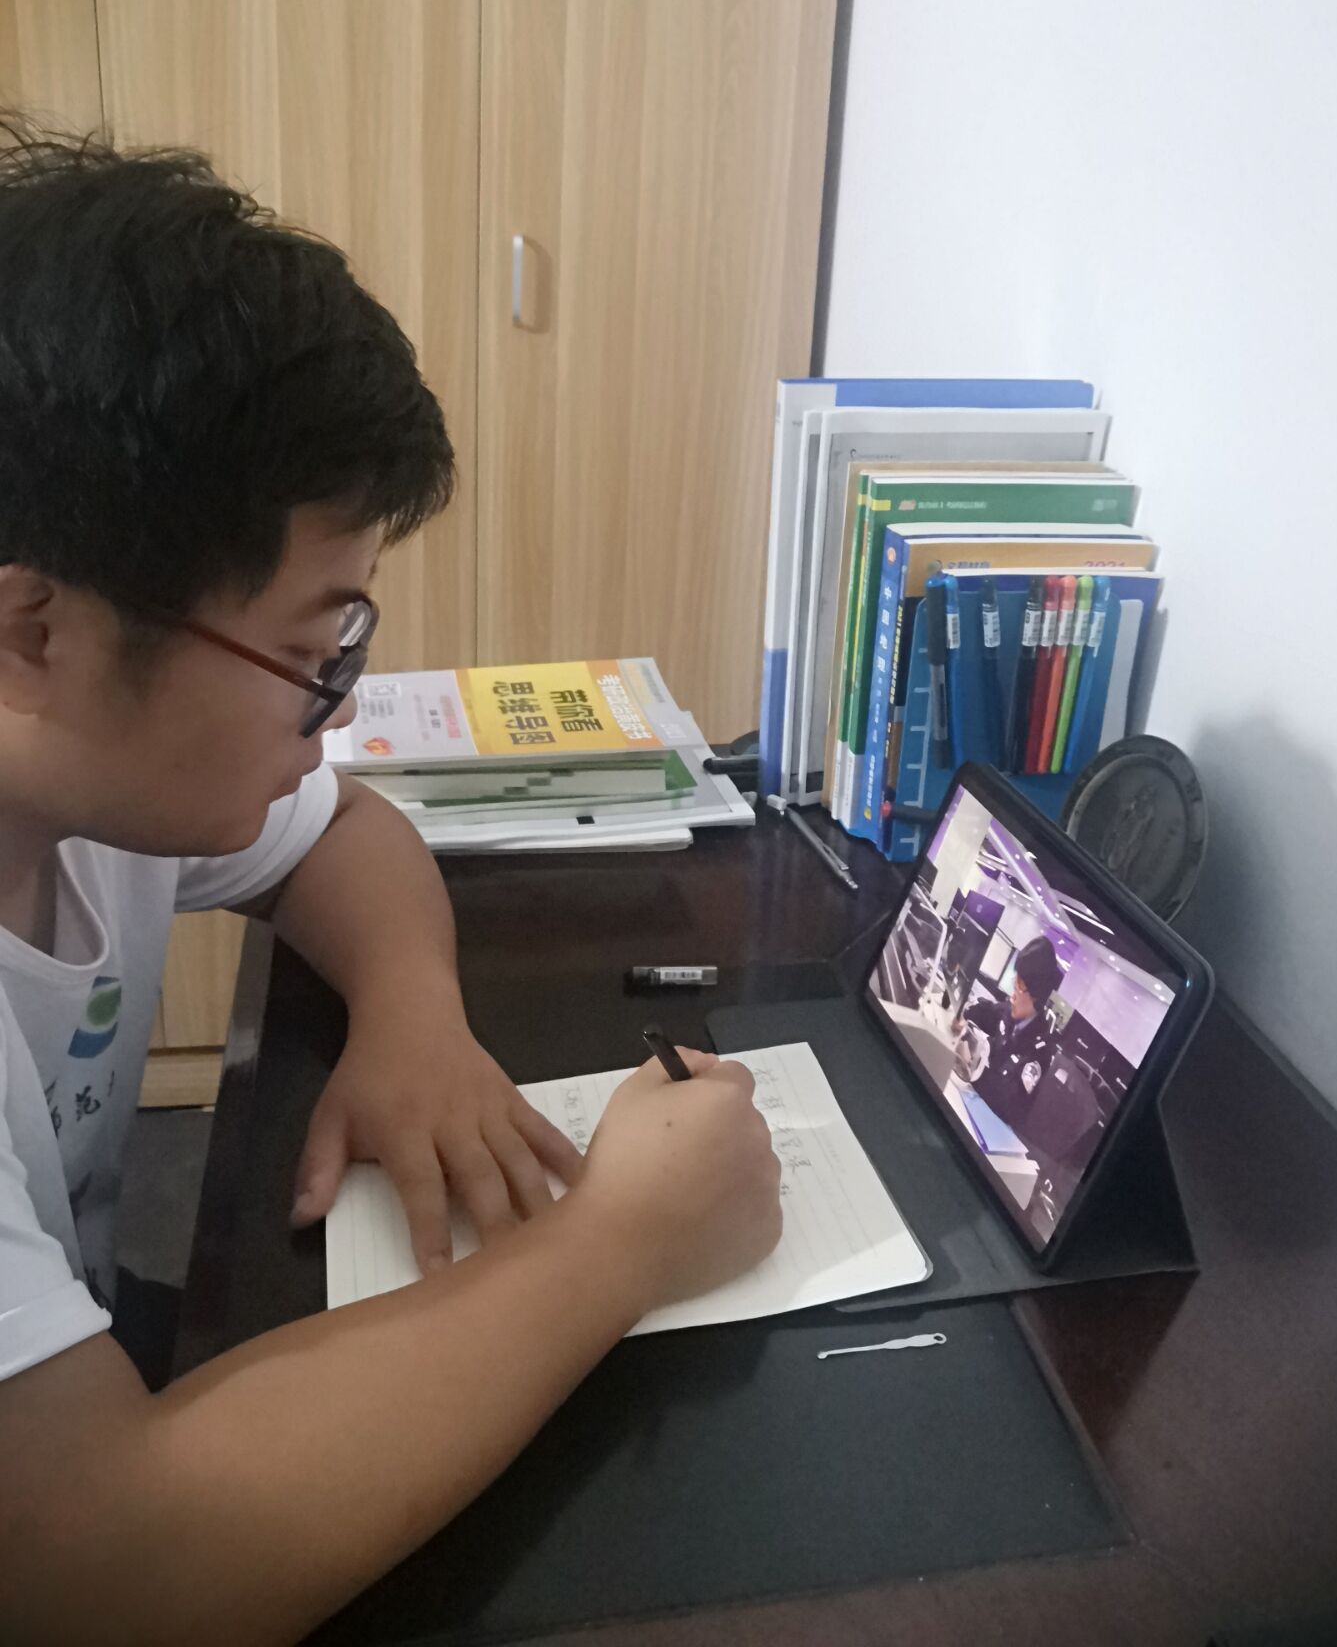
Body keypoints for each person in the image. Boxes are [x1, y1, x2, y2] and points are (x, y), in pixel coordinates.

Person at [0, 120, 783, 1646]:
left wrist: (413, 1015)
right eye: (312, 652)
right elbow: (95, 1568)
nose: (337, 713)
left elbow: (344, 835)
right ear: (38, 630)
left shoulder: (80, 777)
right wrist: (622, 1241)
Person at [955, 934, 1064, 1144]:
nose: (1013, 993)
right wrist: (963, 1014)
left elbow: (1007, 1104)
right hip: (971, 1103)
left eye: (1019, 987)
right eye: (1016, 982)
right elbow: (982, 1012)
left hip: (991, 1131)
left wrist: (973, 1062)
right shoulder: (1009, 1012)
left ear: (1037, 996)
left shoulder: (1039, 1052)